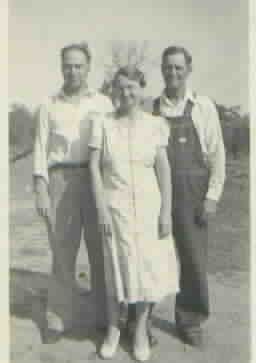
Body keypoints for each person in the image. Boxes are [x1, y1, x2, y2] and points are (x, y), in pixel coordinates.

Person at [89, 66, 179, 361]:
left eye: (132, 87)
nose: (126, 93)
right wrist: (101, 208)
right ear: (113, 90)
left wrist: (166, 211)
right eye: (121, 87)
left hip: (150, 208)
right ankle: (114, 329)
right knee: (116, 267)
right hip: (115, 207)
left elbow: (163, 169)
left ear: (141, 89)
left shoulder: (156, 124)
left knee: (147, 271)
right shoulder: (102, 123)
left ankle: (139, 330)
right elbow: (93, 167)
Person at [140, 45, 225, 347]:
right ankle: (141, 322)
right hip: (157, 193)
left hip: (193, 194)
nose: (172, 73)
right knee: (150, 257)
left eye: (178, 67)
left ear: (189, 69)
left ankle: (190, 319)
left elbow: (217, 155)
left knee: (192, 259)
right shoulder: (150, 108)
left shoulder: (203, 107)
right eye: (167, 67)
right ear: (161, 70)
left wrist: (212, 196)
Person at [33, 42, 113, 342]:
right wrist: (41, 188)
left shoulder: (103, 104)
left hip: (95, 179)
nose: (73, 71)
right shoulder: (48, 104)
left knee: (99, 250)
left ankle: (105, 318)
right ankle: (58, 317)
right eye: (68, 65)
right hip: (60, 179)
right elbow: (40, 148)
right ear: (61, 67)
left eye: (79, 65)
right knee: (62, 251)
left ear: (88, 67)